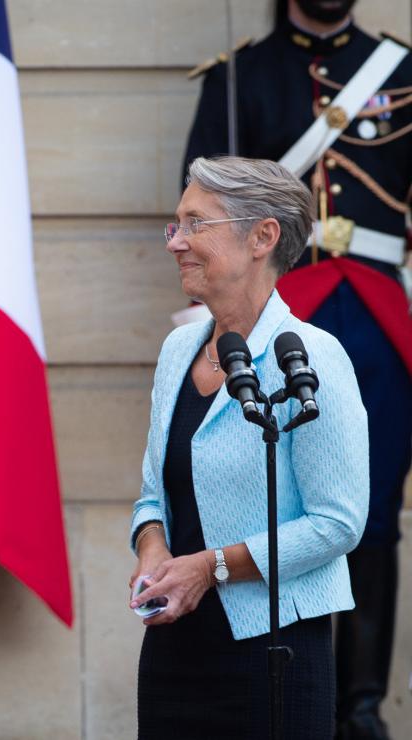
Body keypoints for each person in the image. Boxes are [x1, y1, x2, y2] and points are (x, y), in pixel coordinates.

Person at [184, 5, 412, 735]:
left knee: (371, 517)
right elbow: (198, 227)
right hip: (274, 314)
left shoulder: (401, 70)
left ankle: (362, 713)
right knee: (270, 510)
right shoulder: (238, 78)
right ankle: (283, 704)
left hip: (380, 320)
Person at [131, 156, 369, 739]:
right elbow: (152, 496)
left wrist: (209, 569)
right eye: (176, 224)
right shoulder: (177, 351)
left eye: (195, 224)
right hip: (173, 652)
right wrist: (152, 550)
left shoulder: (312, 356)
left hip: (274, 656)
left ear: (262, 236)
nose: (176, 243)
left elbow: (338, 522)